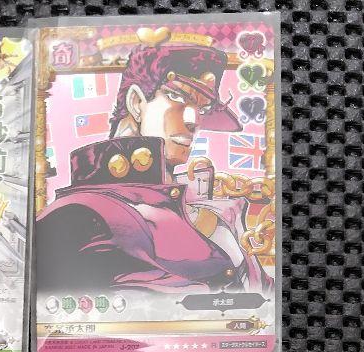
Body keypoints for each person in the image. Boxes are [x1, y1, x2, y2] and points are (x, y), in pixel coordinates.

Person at [36, 41, 272, 295]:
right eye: (176, 96)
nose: (193, 120)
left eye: (202, 108)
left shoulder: (210, 209)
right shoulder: (80, 215)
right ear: (136, 102)